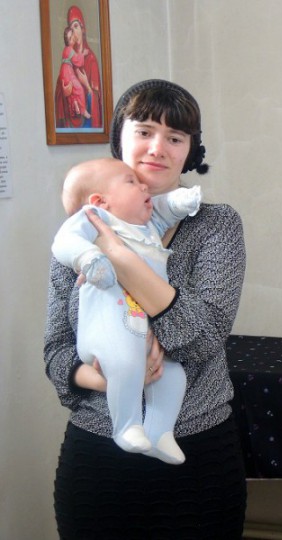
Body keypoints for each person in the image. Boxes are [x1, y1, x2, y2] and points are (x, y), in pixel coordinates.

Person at [44, 79, 247, 538]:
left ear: (190, 150)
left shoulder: (216, 225)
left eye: (175, 137)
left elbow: (202, 340)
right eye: (144, 131)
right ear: (120, 136)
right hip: (97, 458)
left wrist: (120, 256)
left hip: (197, 459)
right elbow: (55, 352)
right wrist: (105, 377)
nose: (158, 148)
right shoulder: (79, 231)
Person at [52, 157, 203, 465]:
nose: (143, 185)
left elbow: (163, 208)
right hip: (105, 329)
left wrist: (181, 202)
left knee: (173, 376)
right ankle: (126, 426)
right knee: (124, 361)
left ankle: (159, 433)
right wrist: (89, 258)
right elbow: (64, 242)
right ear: (100, 201)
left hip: (139, 331)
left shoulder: (145, 226)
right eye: (131, 182)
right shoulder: (94, 219)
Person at [54, 5, 102, 129]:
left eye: (76, 26)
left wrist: (87, 85)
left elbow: (98, 98)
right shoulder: (69, 57)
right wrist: (64, 90)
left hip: (87, 125)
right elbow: (59, 92)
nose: (74, 32)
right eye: (71, 28)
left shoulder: (91, 59)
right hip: (71, 122)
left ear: (82, 29)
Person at [57, 26, 92, 127]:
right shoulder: (69, 50)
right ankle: (83, 110)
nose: (73, 39)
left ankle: (76, 104)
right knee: (79, 89)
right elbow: (78, 61)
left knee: (73, 92)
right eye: (71, 38)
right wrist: (83, 54)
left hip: (64, 73)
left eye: (72, 36)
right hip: (67, 73)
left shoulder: (66, 50)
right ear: (68, 40)